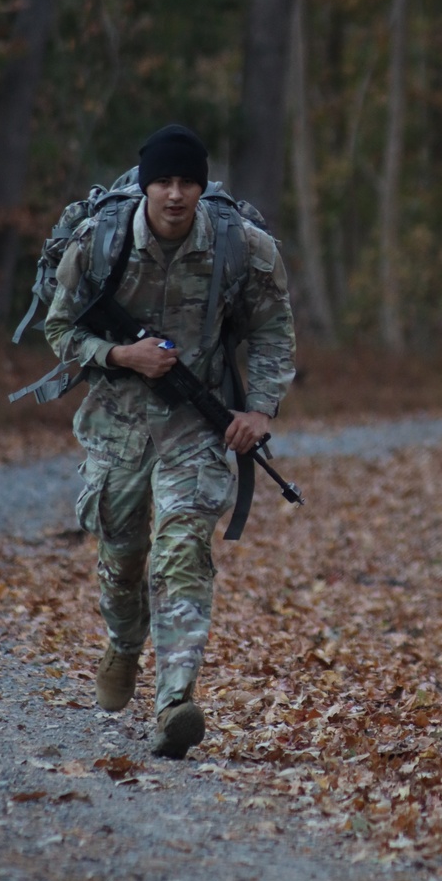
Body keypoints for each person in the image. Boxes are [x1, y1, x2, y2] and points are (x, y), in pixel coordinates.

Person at [45, 124, 295, 760]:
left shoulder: (244, 249)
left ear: (202, 186)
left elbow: (272, 331)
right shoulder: (98, 242)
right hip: (116, 424)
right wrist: (120, 354)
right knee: (122, 555)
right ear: (146, 185)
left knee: (181, 547)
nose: (176, 195)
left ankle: (175, 700)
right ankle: (125, 643)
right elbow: (60, 329)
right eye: (165, 181)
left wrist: (260, 410)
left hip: (194, 424)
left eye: (188, 182)